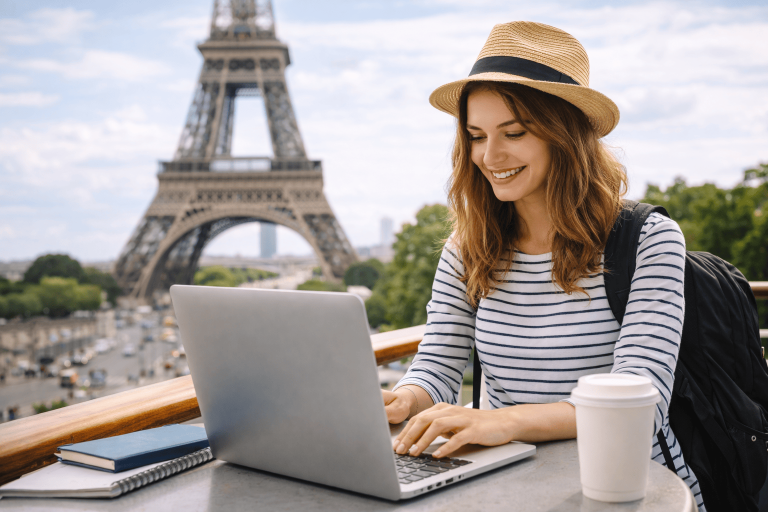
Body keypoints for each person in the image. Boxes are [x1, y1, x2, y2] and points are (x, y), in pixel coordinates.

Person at [382, 22, 706, 511]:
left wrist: (504, 421)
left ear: (565, 135)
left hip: (627, 489)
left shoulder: (648, 241)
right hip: (507, 487)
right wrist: (404, 400)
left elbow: (643, 403)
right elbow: (438, 365)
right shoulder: (467, 246)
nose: (490, 156)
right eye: (476, 136)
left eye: (514, 132)